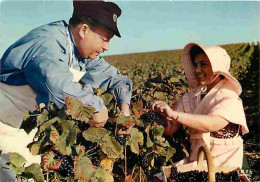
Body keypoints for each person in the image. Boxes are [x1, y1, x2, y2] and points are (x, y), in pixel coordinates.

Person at [0, 0, 132, 180]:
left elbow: (115, 78)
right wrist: (95, 106)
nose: (106, 47)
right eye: (104, 39)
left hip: (27, 129)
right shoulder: (48, 43)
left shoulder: (81, 52)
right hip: (4, 127)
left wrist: (125, 107)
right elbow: (56, 85)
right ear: (84, 30)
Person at [152, 43, 249, 168]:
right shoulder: (189, 99)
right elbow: (170, 129)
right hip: (197, 164)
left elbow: (211, 123)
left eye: (203, 64)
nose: (197, 70)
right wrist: (161, 119)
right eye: (195, 65)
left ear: (217, 67)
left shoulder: (229, 98)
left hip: (224, 168)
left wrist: (175, 114)